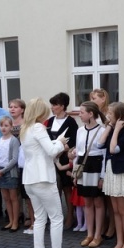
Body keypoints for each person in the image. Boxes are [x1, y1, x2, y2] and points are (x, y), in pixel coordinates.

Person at [20, 98, 72, 248]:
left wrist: (56, 144)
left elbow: (42, 151)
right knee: (56, 218)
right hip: (43, 178)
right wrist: (60, 143)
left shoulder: (25, 128)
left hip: (30, 178)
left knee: (40, 217)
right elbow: (50, 150)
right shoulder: (38, 127)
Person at [99, 102, 124, 248]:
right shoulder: (112, 128)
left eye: (110, 113)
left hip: (121, 172)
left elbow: (114, 149)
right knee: (115, 210)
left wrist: (117, 129)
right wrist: (109, 127)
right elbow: (99, 144)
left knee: (123, 210)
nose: (107, 115)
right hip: (111, 171)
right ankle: (119, 242)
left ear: (119, 115)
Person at [75, 101, 107, 248]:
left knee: (98, 202)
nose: (79, 114)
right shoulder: (80, 131)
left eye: (82, 112)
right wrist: (75, 174)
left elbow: (104, 155)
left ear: (91, 114)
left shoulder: (102, 130)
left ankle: (97, 235)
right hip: (83, 166)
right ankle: (89, 234)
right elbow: (78, 153)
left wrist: (102, 176)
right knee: (87, 202)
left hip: (96, 165)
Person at [47, 92, 79, 229]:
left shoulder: (71, 121)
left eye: (54, 105)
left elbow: (74, 140)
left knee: (67, 189)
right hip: (51, 158)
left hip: (64, 158)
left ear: (62, 106)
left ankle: (70, 216)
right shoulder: (50, 121)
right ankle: (56, 217)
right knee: (54, 189)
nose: (52, 107)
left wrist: (60, 151)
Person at [90, 88, 114, 240]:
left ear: (103, 98)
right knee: (100, 195)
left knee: (109, 195)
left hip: (105, 156)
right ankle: (103, 223)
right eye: (91, 98)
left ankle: (112, 224)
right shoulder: (94, 116)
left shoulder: (107, 116)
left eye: (94, 98)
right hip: (95, 158)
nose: (92, 101)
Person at [9, 99, 34, 233]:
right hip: (11, 161)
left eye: (15, 107)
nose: (12, 109)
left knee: (26, 192)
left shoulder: (26, 124)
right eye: (10, 107)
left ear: (22, 110)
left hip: (23, 159)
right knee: (15, 190)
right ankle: (17, 215)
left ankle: (31, 217)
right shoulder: (8, 123)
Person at [0, 116, 21, 232]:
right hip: (0, 172)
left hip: (10, 172)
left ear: (11, 127)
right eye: (1, 125)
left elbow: (14, 159)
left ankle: (15, 222)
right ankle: (10, 220)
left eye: (6, 126)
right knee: (6, 198)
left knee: (13, 198)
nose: (3, 128)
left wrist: (3, 171)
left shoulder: (14, 140)